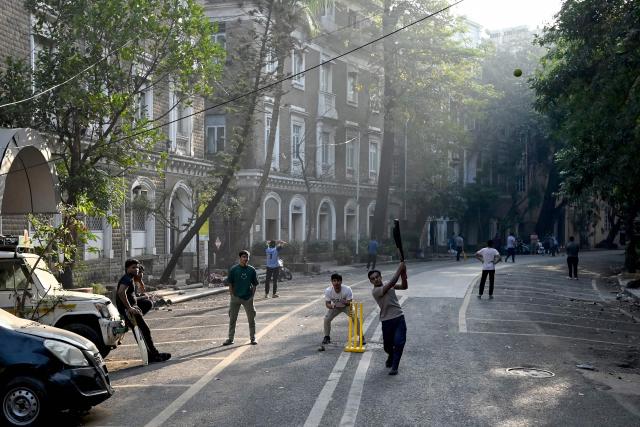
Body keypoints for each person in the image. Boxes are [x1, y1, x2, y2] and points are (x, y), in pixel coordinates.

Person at [116, 259, 171, 363]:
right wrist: (129, 308)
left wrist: (140, 282)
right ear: (127, 269)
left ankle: (150, 355)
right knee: (144, 330)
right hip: (128, 311)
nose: (136, 269)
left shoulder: (131, 278)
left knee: (147, 305)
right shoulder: (127, 279)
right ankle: (154, 355)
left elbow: (133, 294)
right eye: (133, 267)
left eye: (137, 267)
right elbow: (120, 292)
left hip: (131, 308)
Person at [369, 263, 408, 375]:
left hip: (399, 317)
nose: (376, 279)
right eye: (373, 279)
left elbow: (404, 286)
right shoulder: (375, 291)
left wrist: (404, 275)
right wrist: (399, 269)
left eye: (377, 277)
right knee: (387, 346)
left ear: (381, 277)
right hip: (386, 321)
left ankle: (394, 367)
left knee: (399, 342)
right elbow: (392, 283)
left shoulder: (387, 284)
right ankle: (391, 355)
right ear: (371, 282)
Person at [223, 250, 259, 346]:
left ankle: (253, 338)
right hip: (236, 297)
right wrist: (232, 295)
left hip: (248, 298)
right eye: (243, 257)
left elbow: (255, 284)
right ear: (240, 258)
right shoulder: (234, 269)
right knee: (232, 319)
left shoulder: (251, 270)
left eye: (247, 257)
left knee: (251, 319)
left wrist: (252, 295)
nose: (245, 259)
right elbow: (230, 283)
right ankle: (230, 338)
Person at [322, 273, 362, 346]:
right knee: (326, 319)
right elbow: (327, 304)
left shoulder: (347, 289)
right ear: (332, 282)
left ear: (341, 281)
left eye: (338, 281)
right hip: (335, 307)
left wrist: (345, 302)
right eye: (334, 281)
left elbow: (350, 302)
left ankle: (361, 336)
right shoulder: (328, 290)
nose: (336, 283)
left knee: (355, 318)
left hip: (346, 306)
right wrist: (331, 306)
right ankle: (327, 337)